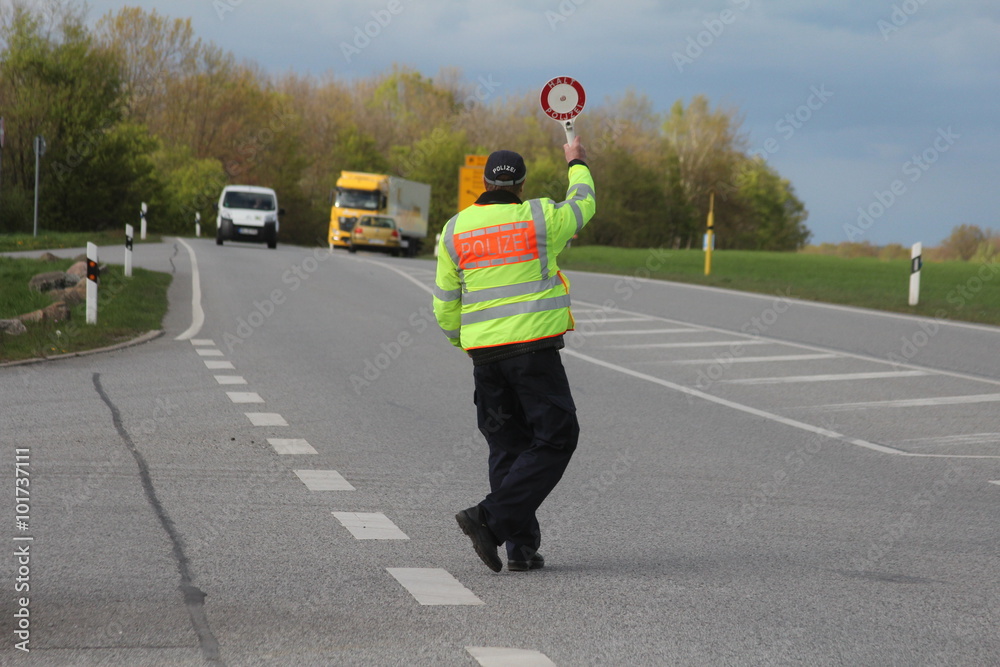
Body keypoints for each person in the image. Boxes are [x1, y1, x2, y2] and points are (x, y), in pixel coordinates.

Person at [433, 137, 596, 572]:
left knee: (507, 446)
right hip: (533, 353)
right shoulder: (540, 216)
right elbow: (584, 203)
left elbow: (445, 304)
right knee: (558, 437)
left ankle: (521, 547)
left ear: (484, 183)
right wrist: (576, 161)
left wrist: (462, 341)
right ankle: (488, 520)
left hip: (485, 357)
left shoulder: (455, 230)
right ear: (521, 185)